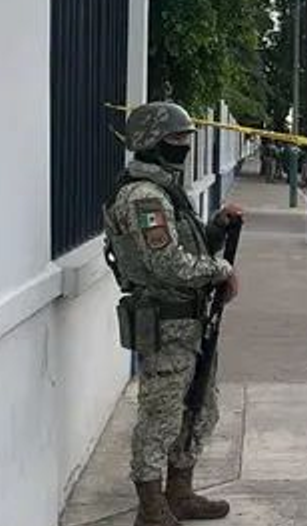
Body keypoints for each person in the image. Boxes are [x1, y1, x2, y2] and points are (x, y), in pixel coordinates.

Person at [103, 102, 243, 526]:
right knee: (160, 416)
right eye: (176, 139)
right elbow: (168, 265)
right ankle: (150, 508)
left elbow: (186, 249)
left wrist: (217, 229)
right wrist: (221, 269)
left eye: (186, 139)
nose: (184, 146)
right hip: (166, 322)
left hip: (192, 321)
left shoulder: (165, 191)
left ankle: (179, 493)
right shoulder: (144, 197)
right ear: (151, 142)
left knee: (199, 407)